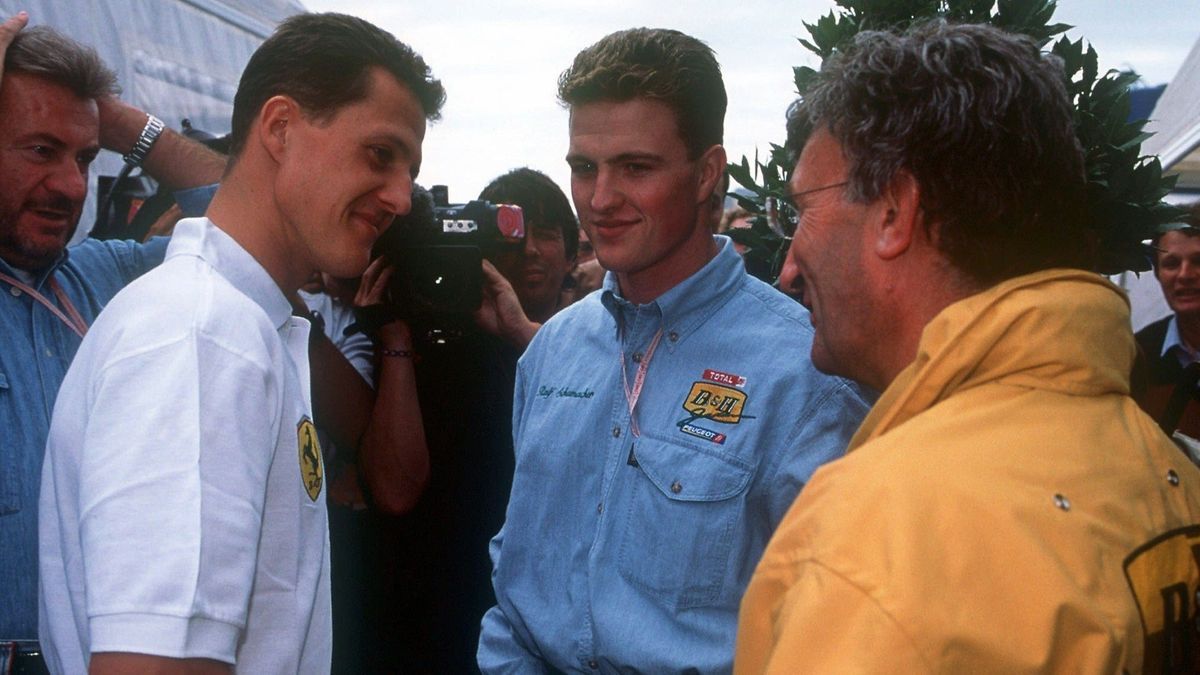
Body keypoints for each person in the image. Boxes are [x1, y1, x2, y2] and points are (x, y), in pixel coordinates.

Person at [735, 21, 1200, 673]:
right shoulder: (1165, 461)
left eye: (799, 211)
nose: (786, 266)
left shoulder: (884, 535)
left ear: (894, 212)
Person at [38, 12, 444, 674]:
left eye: (409, 168)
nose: (401, 197)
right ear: (280, 128)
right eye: (379, 154)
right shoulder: (203, 336)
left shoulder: (247, 325)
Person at [478, 27, 869, 673]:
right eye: (583, 167)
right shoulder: (553, 352)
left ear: (707, 173)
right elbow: (516, 582)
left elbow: (831, 629)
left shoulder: (806, 374)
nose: (600, 200)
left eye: (636, 167)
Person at [0, 13, 225, 645]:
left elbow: (248, 230)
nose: (72, 186)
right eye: (42, 150)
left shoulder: (108, 280)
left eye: (86, 158)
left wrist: (122, 123)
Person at [1134, 202, 1200, 443]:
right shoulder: (1137, 355)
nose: (1185, 275)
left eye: (1198, 261)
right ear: (1158, 274)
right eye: (1171, 264)